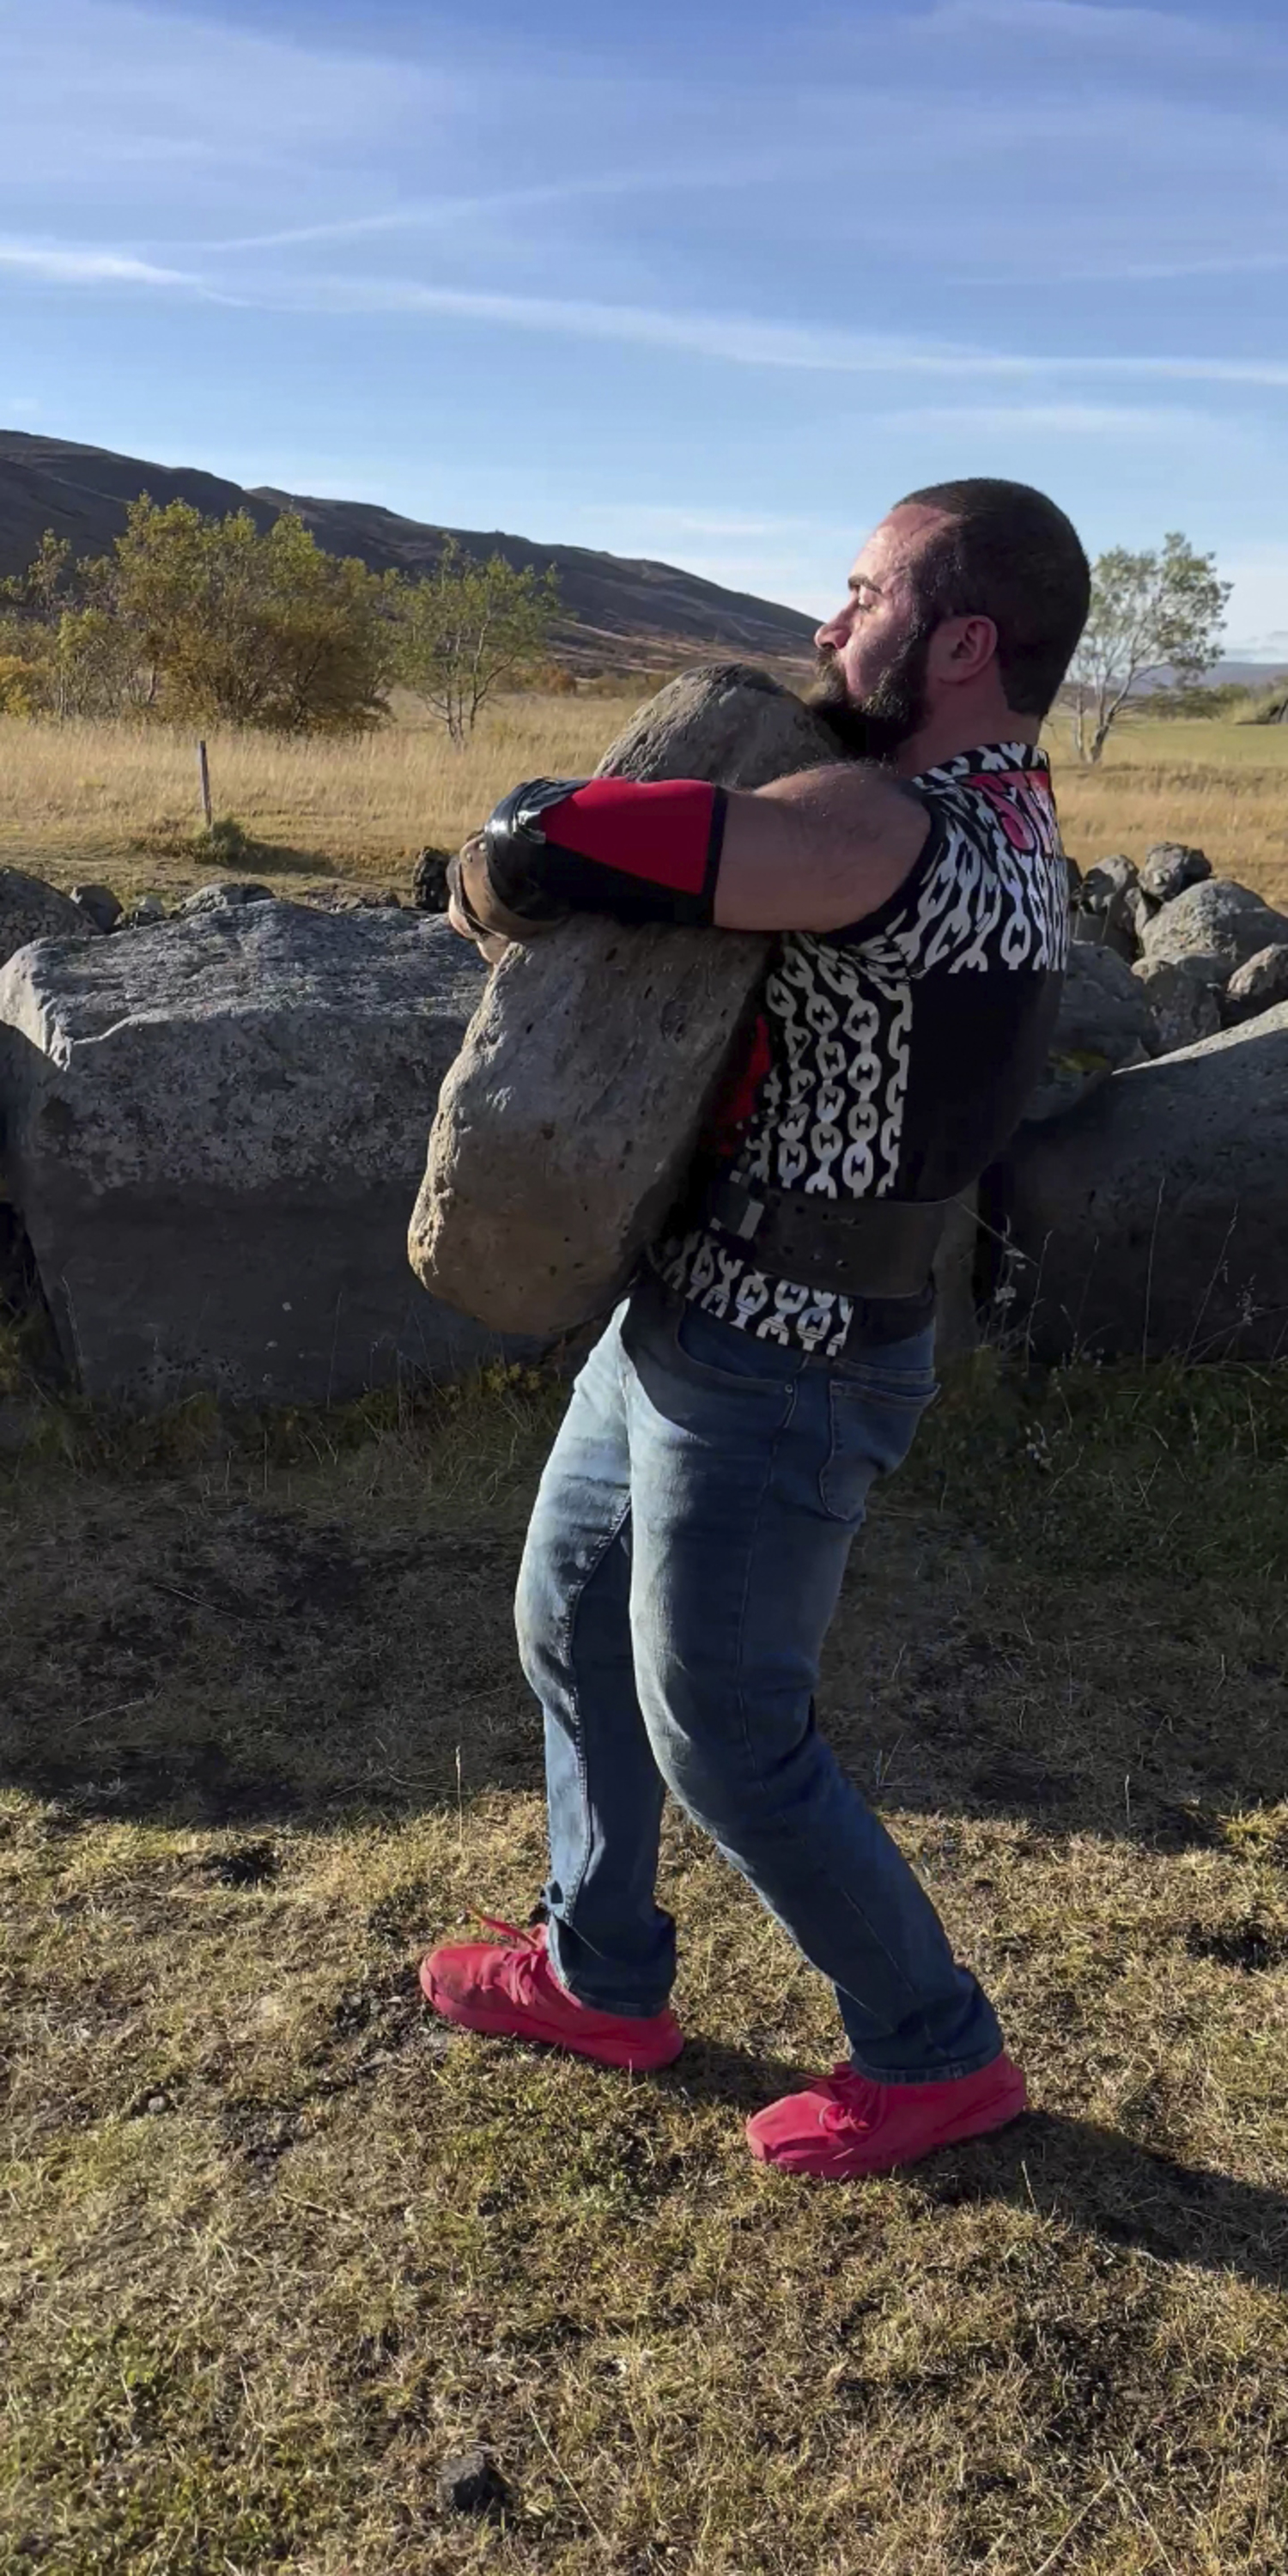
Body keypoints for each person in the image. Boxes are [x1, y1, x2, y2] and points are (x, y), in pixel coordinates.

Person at [421, 477, 1090, 2181]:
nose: (822, 625)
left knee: (728, 1731)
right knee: (567, 1629)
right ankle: (600, 1974)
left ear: (957, 641)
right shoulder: (1007, 814)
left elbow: (559, 839)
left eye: (857, 594)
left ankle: (935, 2052)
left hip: (783, 1369)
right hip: (689, 1323)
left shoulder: (891, 832)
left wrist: (497, 864)